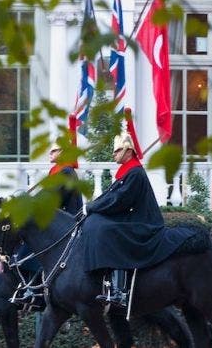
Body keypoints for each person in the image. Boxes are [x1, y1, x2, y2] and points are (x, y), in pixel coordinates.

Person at [82, 132, 195, 307]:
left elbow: (119, 200)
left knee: (107, 230)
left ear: (129, 151)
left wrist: (93, 207)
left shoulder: (135, 173)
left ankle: (119, 291)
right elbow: (110, 196)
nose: (114, 154)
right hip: (131, 218)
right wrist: (92, 206)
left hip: (143, 222)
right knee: (96, 223)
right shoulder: (127, 172)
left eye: (117, 150)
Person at [13, 139, 83, 306]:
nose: (50, 154)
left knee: (36, 242)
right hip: (56, 220)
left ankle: (35, 290)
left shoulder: (66, 172)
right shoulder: (57, 171)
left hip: (66, 223)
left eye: (54, 151)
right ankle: (28, 286)